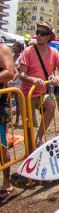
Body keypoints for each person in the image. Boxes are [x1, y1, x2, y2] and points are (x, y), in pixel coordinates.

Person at [18, 22, 59, 147]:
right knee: (28, 129)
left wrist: (56, 77)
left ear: (48, 37)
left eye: (43, 33)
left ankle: (39, 138)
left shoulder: (54, 52)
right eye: (37, 32)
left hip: (42, 94)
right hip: (26, 94)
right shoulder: (28, 51)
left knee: (51, 105)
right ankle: (31, 153)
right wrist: (33, 80)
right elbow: (22, 75)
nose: (39, 35)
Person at [1, 40, 16, 202]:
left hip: (0, 105)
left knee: (1, 145)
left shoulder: (2, 48)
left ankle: (6, 182)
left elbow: (10, 72)